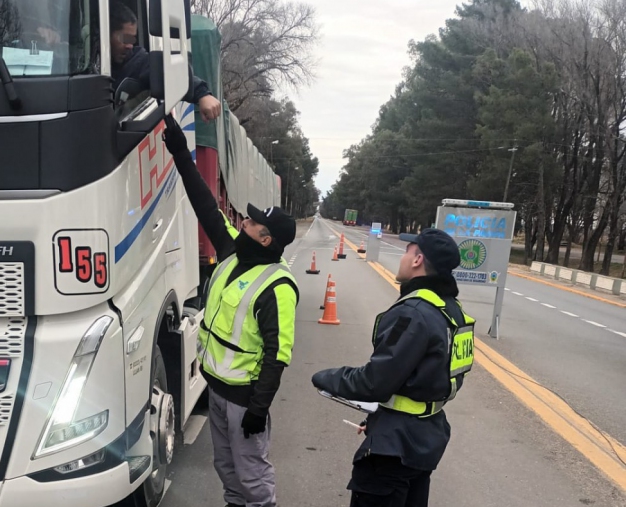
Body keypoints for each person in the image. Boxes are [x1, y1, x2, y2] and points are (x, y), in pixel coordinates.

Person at [162, 114, 297, 507]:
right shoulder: (232, 251)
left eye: (254, 223)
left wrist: (259, 409)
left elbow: (278, 355)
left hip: (244, 401)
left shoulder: (278, 286)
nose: (246, 221)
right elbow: (205, 204)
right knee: (227, 470)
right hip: (217, 390)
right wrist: (180, 155)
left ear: (267, 239)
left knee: (253, 476)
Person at [312, 229, 476, 507]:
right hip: (425, 437)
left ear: (417, 260)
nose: (402, 259)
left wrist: (327, 377)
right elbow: (426, 379)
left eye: (406, 252)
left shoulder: (414, 312)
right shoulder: (452, 310)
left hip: (395, 449)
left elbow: (375, 382)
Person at [111, 2, 222, 121]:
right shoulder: (91, 63)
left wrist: (203, 94)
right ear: (107, 34)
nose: (129, 46)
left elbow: (167, 72)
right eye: (124, 39)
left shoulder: (136, 61)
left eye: (132, 39)